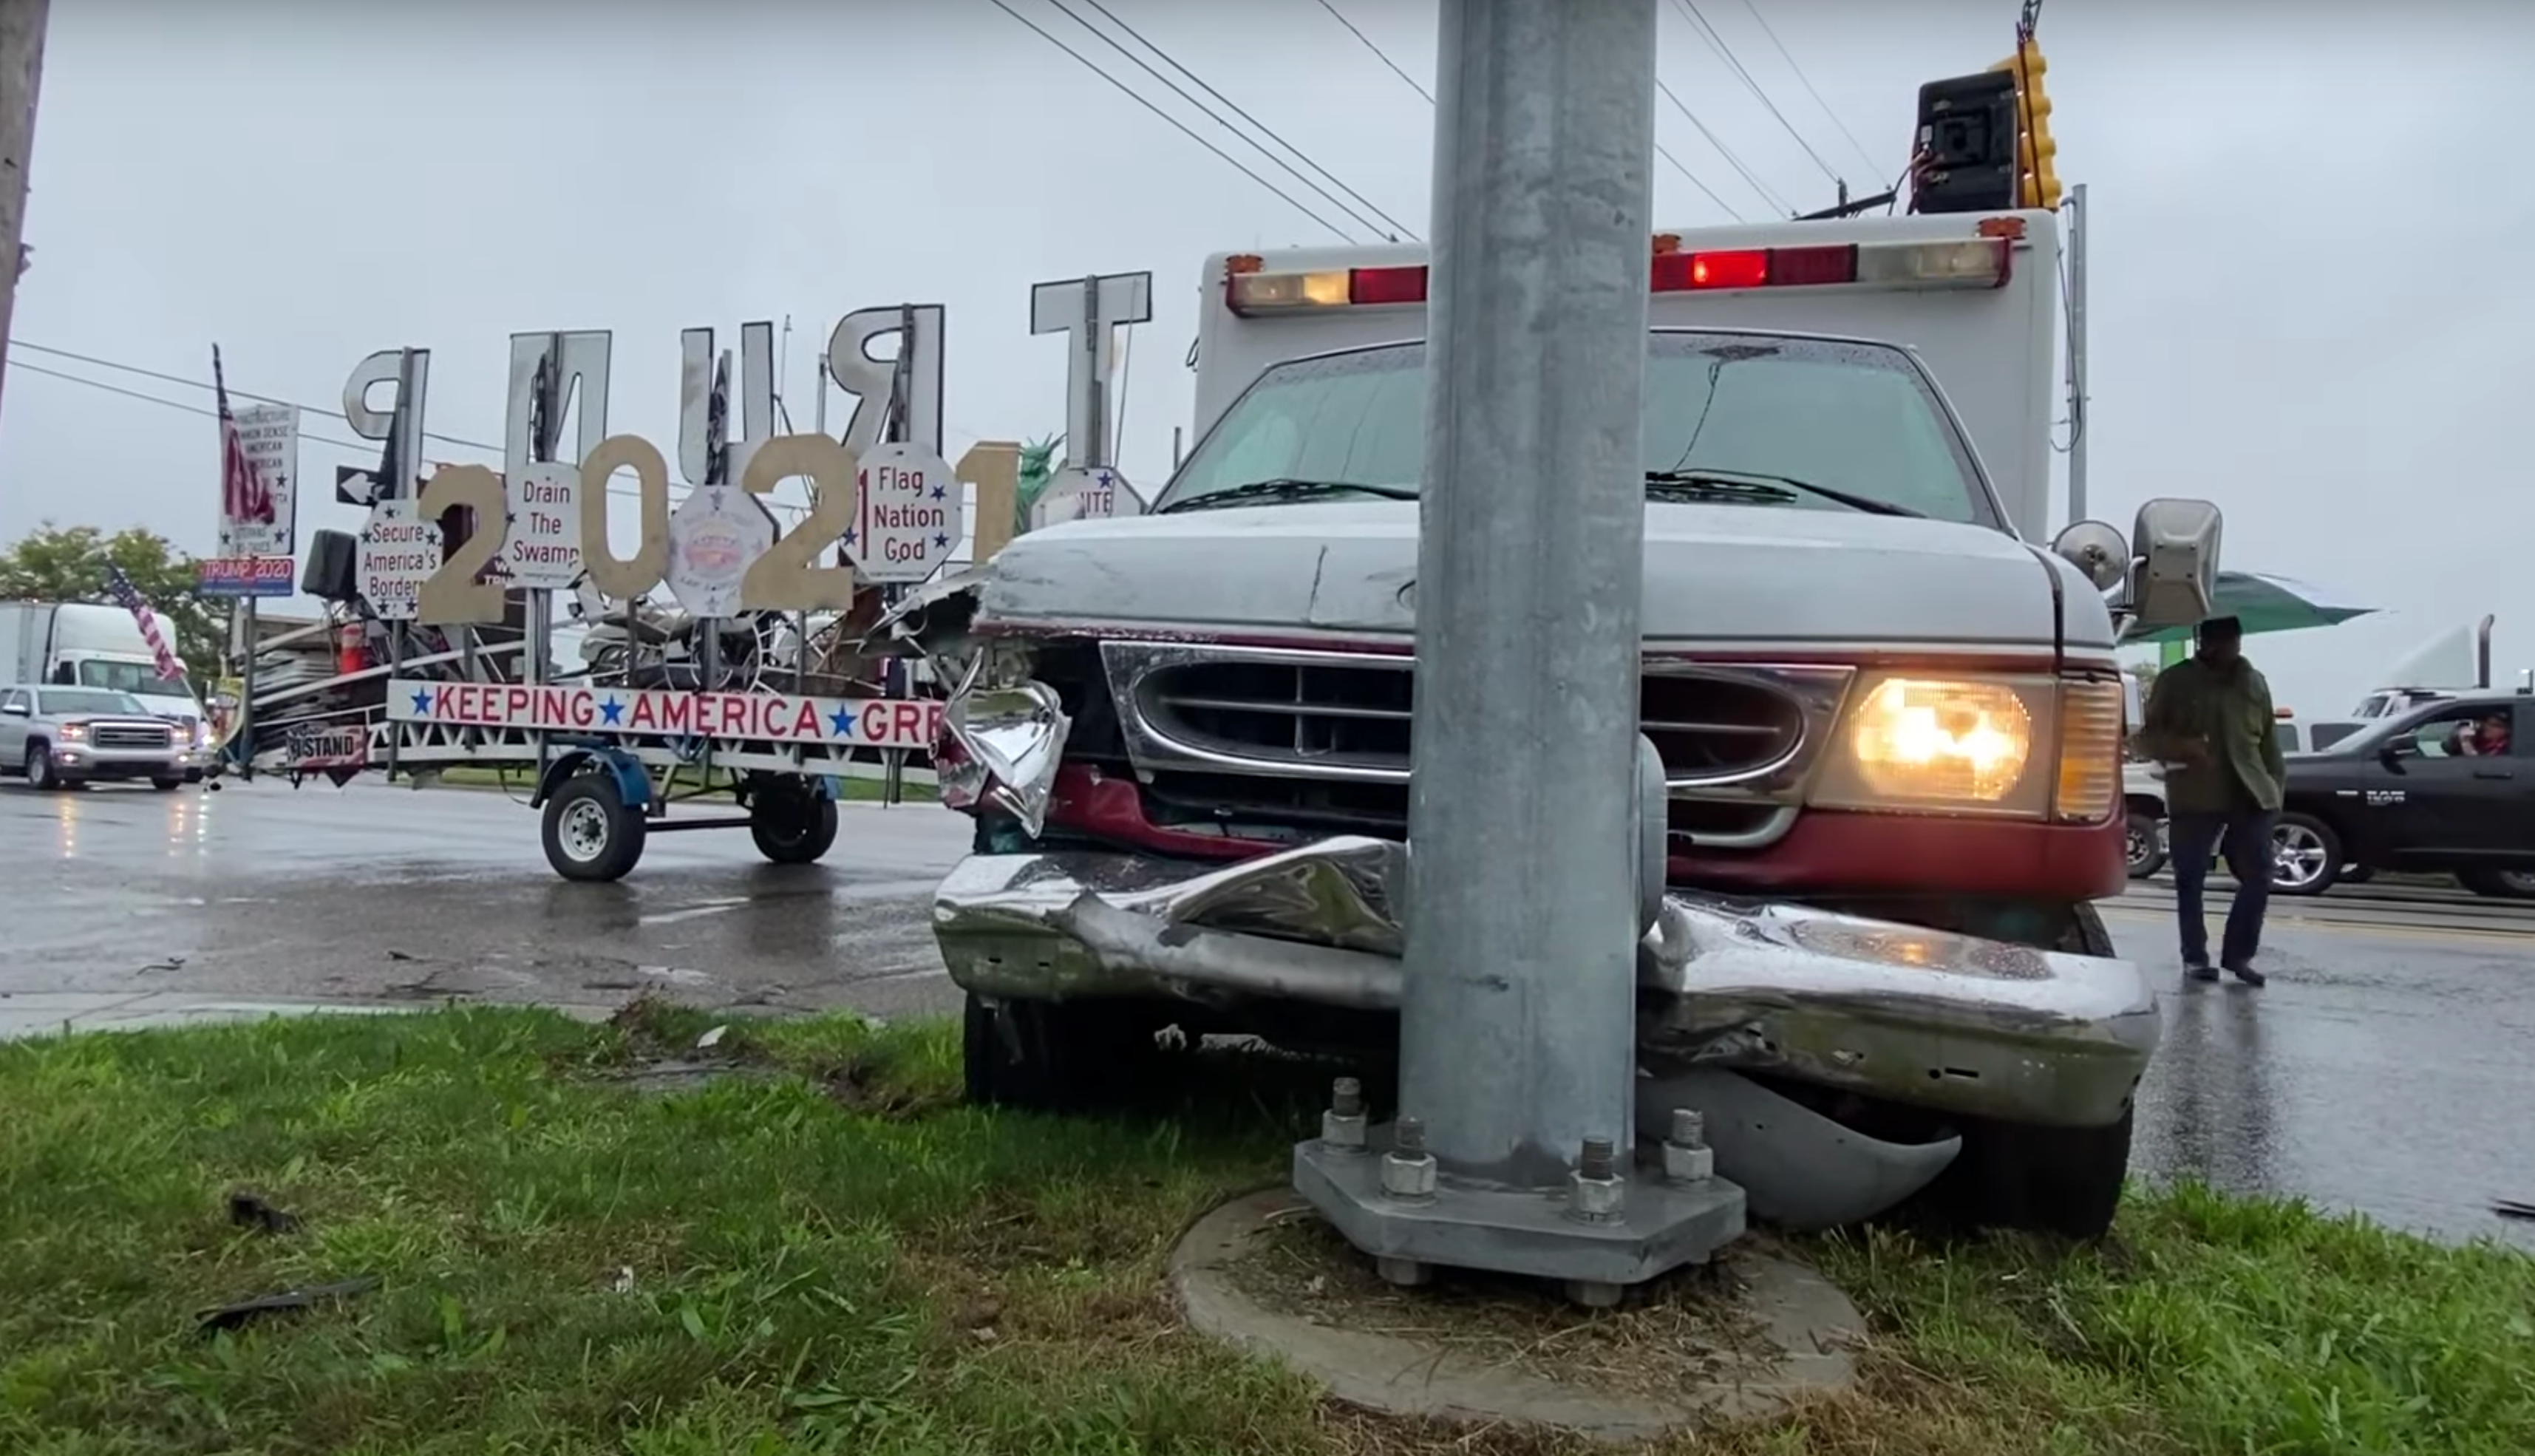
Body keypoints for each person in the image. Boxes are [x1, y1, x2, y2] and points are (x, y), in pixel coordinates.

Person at [2140, 616, 2286, 986]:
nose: (2225, 648)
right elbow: (2147, 740)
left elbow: (2269, 745)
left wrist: (2274, 791)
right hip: (2196, 794)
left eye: (2232, 640)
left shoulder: (2254, 682)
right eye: (2216, 641)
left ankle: (2238, 956)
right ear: (2201, 642)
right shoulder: (2176, 681)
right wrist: (2183, 747)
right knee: (2190, 878)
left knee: (2259, 875)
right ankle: (2195, 958)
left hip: (2250, 793)